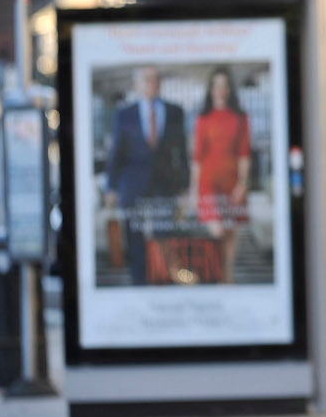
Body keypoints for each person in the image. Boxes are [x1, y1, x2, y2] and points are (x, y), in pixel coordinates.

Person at [106, 66, 190, 285]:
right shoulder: (125, 114)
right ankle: (140, 281)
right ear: (137, 85)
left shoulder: (174, 111)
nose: (152, 84)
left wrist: (185, 184)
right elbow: (117, 152)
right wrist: (112, 187)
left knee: (165, 232)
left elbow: (181, 151)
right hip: (133, 185)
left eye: (155, 79)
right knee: (135, 237)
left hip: (165, 182)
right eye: (146, 80)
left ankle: (163, 277)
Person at [190, 67, 251, 284]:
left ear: (229, 90)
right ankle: (217, 275)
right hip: (209, 181)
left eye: (224, 85)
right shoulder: (203, 119)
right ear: (211, 89)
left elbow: (244, 152)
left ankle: (227, 279)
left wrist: (242, 183)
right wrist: (194, 189)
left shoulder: (241, 118)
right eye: (216, 85)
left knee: (231, 233)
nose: (220, 90)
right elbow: (197, 156)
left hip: (232, 180)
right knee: (217, 230)